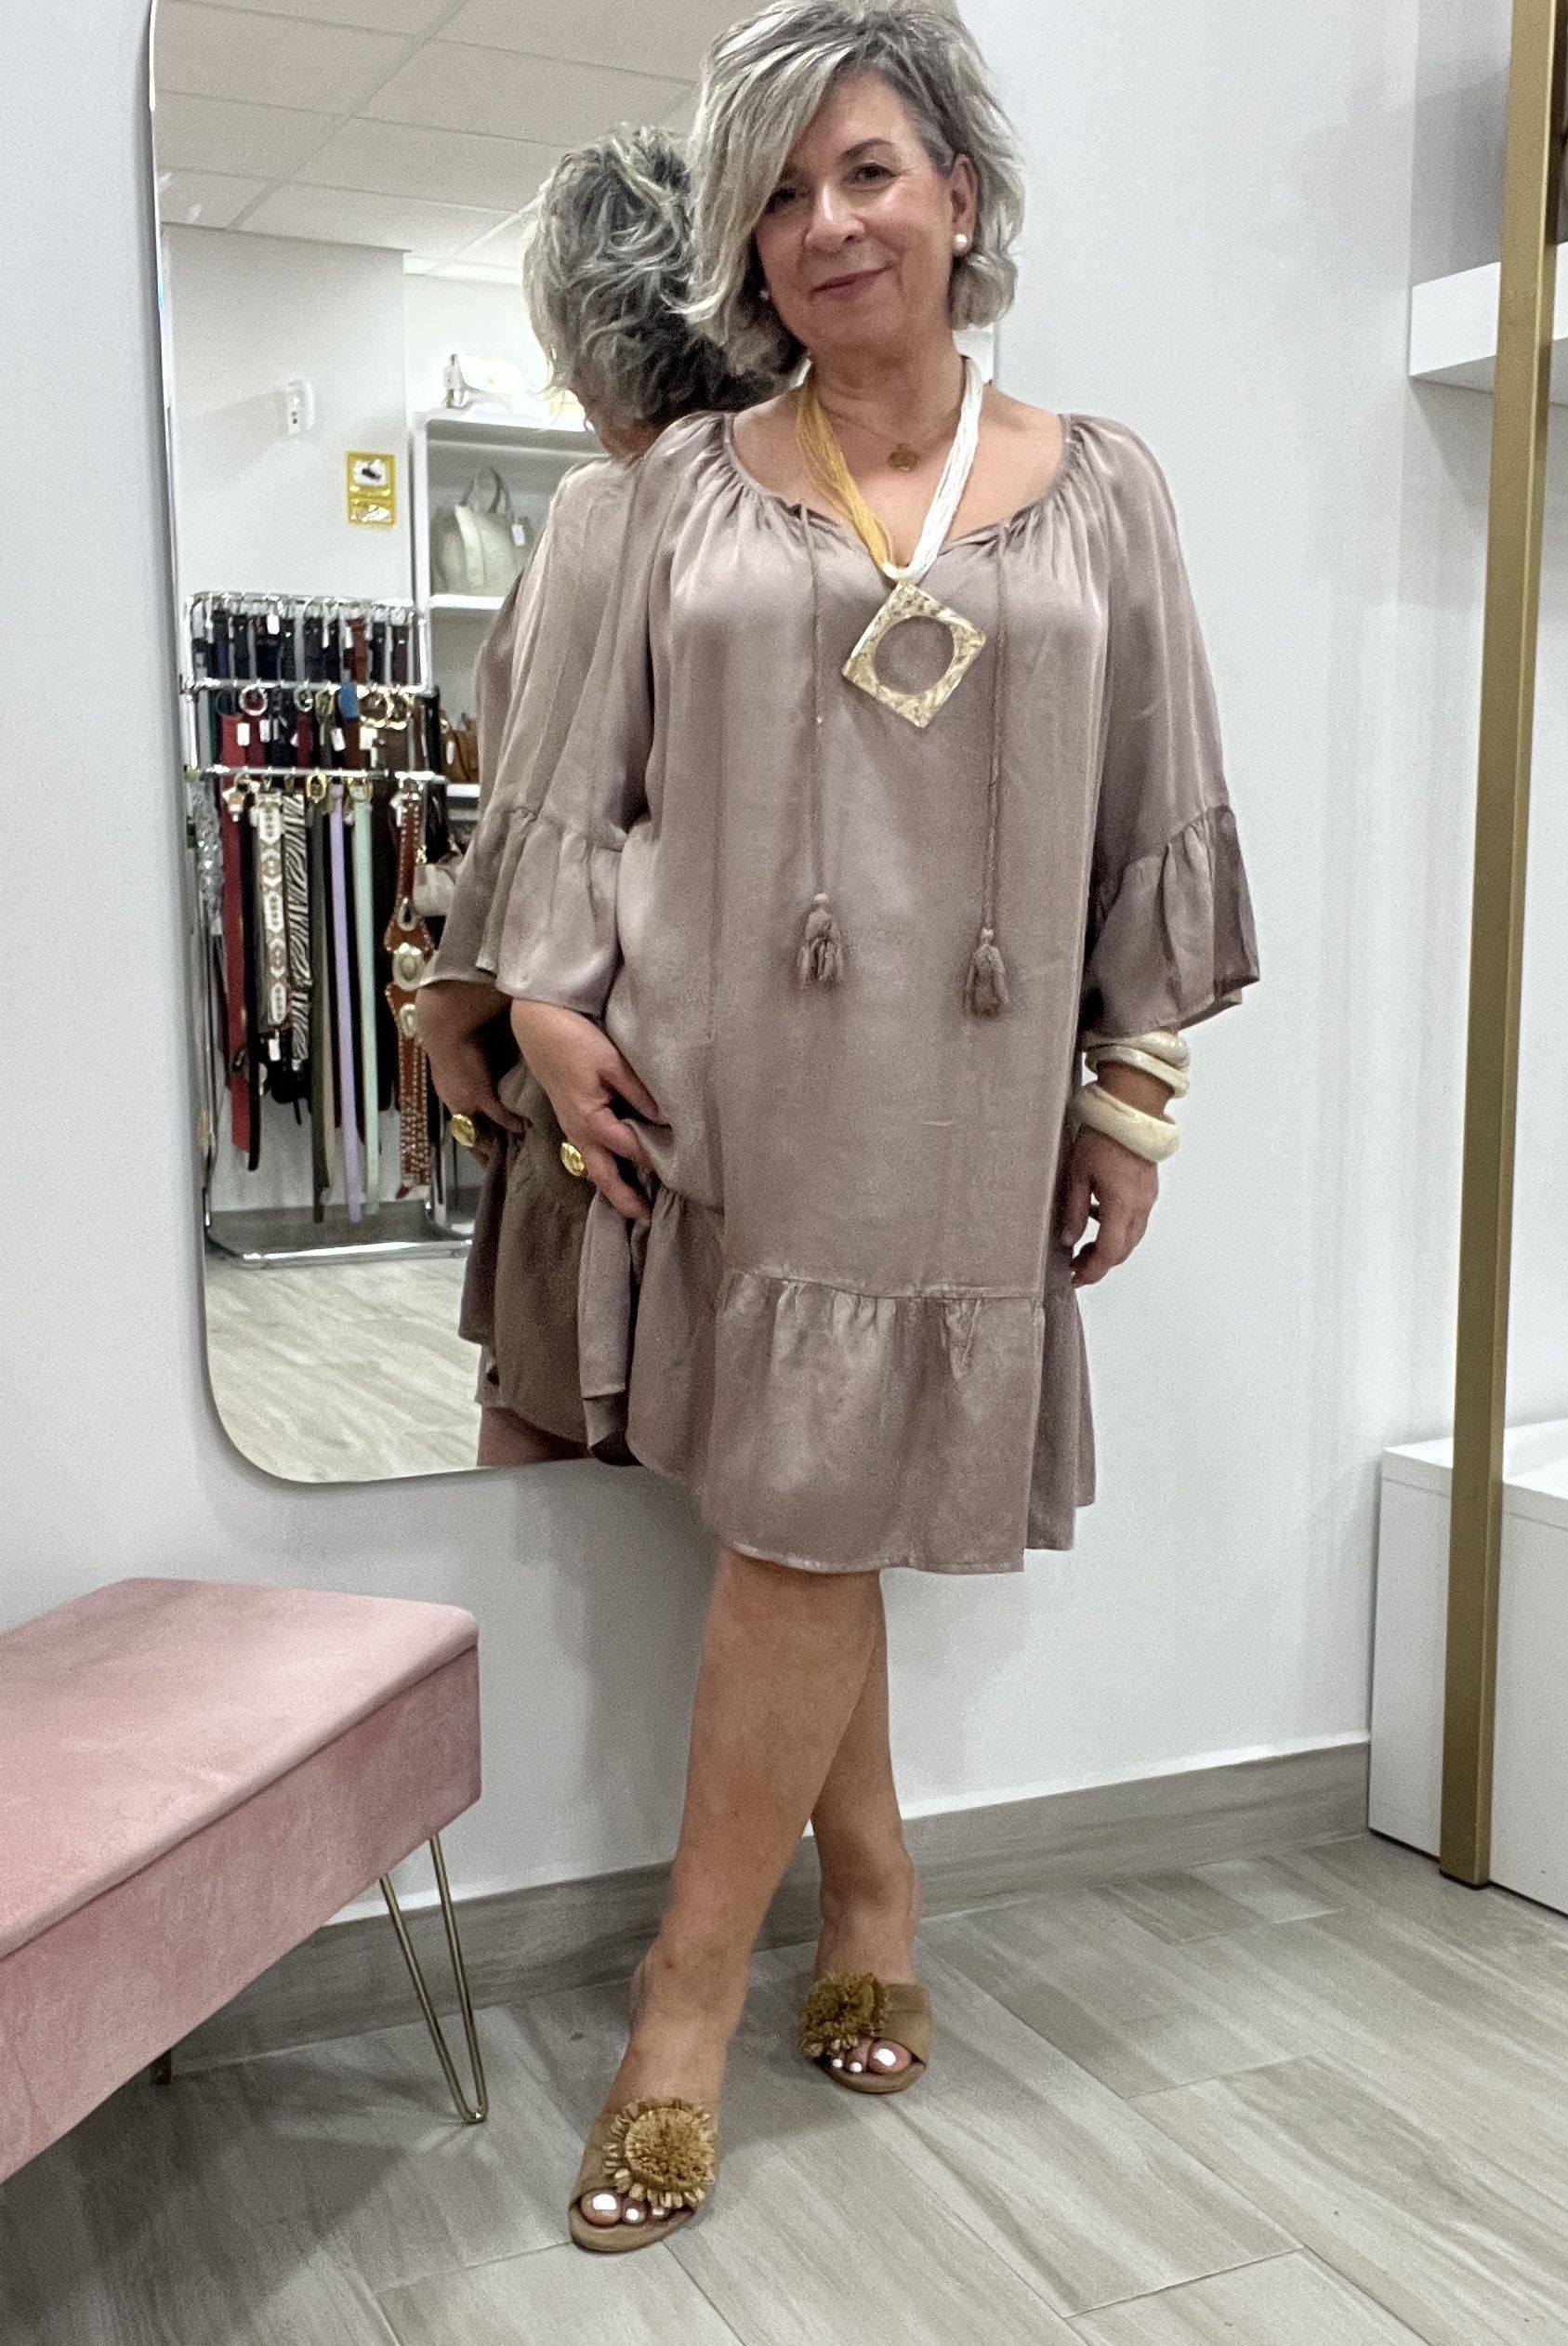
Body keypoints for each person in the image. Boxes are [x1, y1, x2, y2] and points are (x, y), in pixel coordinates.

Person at [495, 0, 1258, 2250]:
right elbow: (588, 776)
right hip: (732, 1089)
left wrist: (1132, 1090)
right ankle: (831, 1923)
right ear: (744, 242)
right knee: (799, 1527)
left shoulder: (1101, 484)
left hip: (967, 1100)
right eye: (781, 191)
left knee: (802, 1528)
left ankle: (729, 1978)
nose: (827, 223)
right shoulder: (685, 491)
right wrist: (540, 1004)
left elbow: (1156, 789)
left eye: (866, 171)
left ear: (956, 194)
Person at [416, 128, 777, 1468]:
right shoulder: (806, 500)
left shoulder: (603, 509)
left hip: (590, 1046)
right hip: (755, 1061)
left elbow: (533, 803)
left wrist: (456, 995)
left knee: (547, 1438)